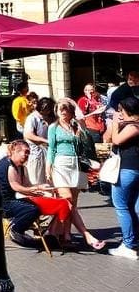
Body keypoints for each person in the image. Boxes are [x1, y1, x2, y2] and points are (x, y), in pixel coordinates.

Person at [46, 97, 105, 250]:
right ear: (57, 112)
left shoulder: (76, 127)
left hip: (76, 165)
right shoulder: (53, 128)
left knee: (73, 203)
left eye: (66, 110)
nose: (63, 112)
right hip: (60, 164)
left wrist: (80, 122)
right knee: (67, 199)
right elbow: (51, 149)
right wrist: (48, 168)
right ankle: (87, 236)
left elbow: (86, 141)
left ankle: (66, 235)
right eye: (60, 110)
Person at [0, 139, 77, 247]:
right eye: (25, 152)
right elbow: (16, 187)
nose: (27, 155)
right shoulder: (10, 166)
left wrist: (45, 190)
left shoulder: (20, 167)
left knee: (52, 203)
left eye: (28, 153)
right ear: (15, 151)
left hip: (11, 200)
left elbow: (27, 186)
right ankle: (16, 230)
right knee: (33, 209)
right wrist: (38, 188)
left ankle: (52, 234)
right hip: (4, 204)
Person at [109, 95, 139, 259]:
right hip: (135, 170)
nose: (119, 113)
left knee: (121, 206)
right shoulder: (130, 124)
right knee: (134, 207)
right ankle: (134, 241)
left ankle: (128, 245)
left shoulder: (134, 126)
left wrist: (114, 124)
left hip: (127, 169)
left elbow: (116, 140)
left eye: (121, 110)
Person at [23, 96, 55, 186]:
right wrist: (45, 140)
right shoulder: (32, 118)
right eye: (45, 109)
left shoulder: (51, 118)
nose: (47, 112)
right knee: (37, 179)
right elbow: (28, 134)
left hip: (49, 151)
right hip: (36, 152)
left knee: (50, 180)